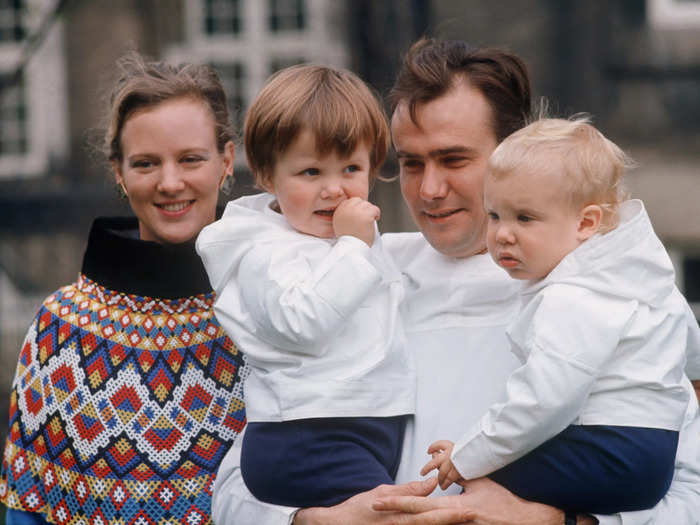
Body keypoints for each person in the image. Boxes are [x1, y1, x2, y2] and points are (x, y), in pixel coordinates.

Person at [212, 38, 700, 525]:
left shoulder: (605, 288)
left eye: (454, 159)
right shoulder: (346, 278)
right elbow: (240, 483)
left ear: (516, 153)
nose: (429, 189)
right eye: (411, 163)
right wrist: (313, 521)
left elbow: (687, 488)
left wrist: (553, 522)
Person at [0, 53, 249, 524]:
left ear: (226, 160)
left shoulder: (273, 310)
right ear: (118, 172)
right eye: (146, 163)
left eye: (191, 159)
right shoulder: (60, 331)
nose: (170, 182)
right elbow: (24, 514)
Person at [423, 116, 689, 515]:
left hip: (611, 452)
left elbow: (543, 401)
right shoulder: (641, 276)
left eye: (524, 218)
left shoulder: (574, 297)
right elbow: (691, 341)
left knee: (476, 488)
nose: (502, 234)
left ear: (586, 223)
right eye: (494, 215)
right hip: (650, 454)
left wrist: (466, 455)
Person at [196, 64, 413, 508]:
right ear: (266, 174)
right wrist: (353, 246)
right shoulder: (267, 253)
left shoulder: (348, 245)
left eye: (351, 168)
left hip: (366, 427)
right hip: (306, 436)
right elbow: (303, 323)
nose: (334, 189)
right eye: (311, 172)